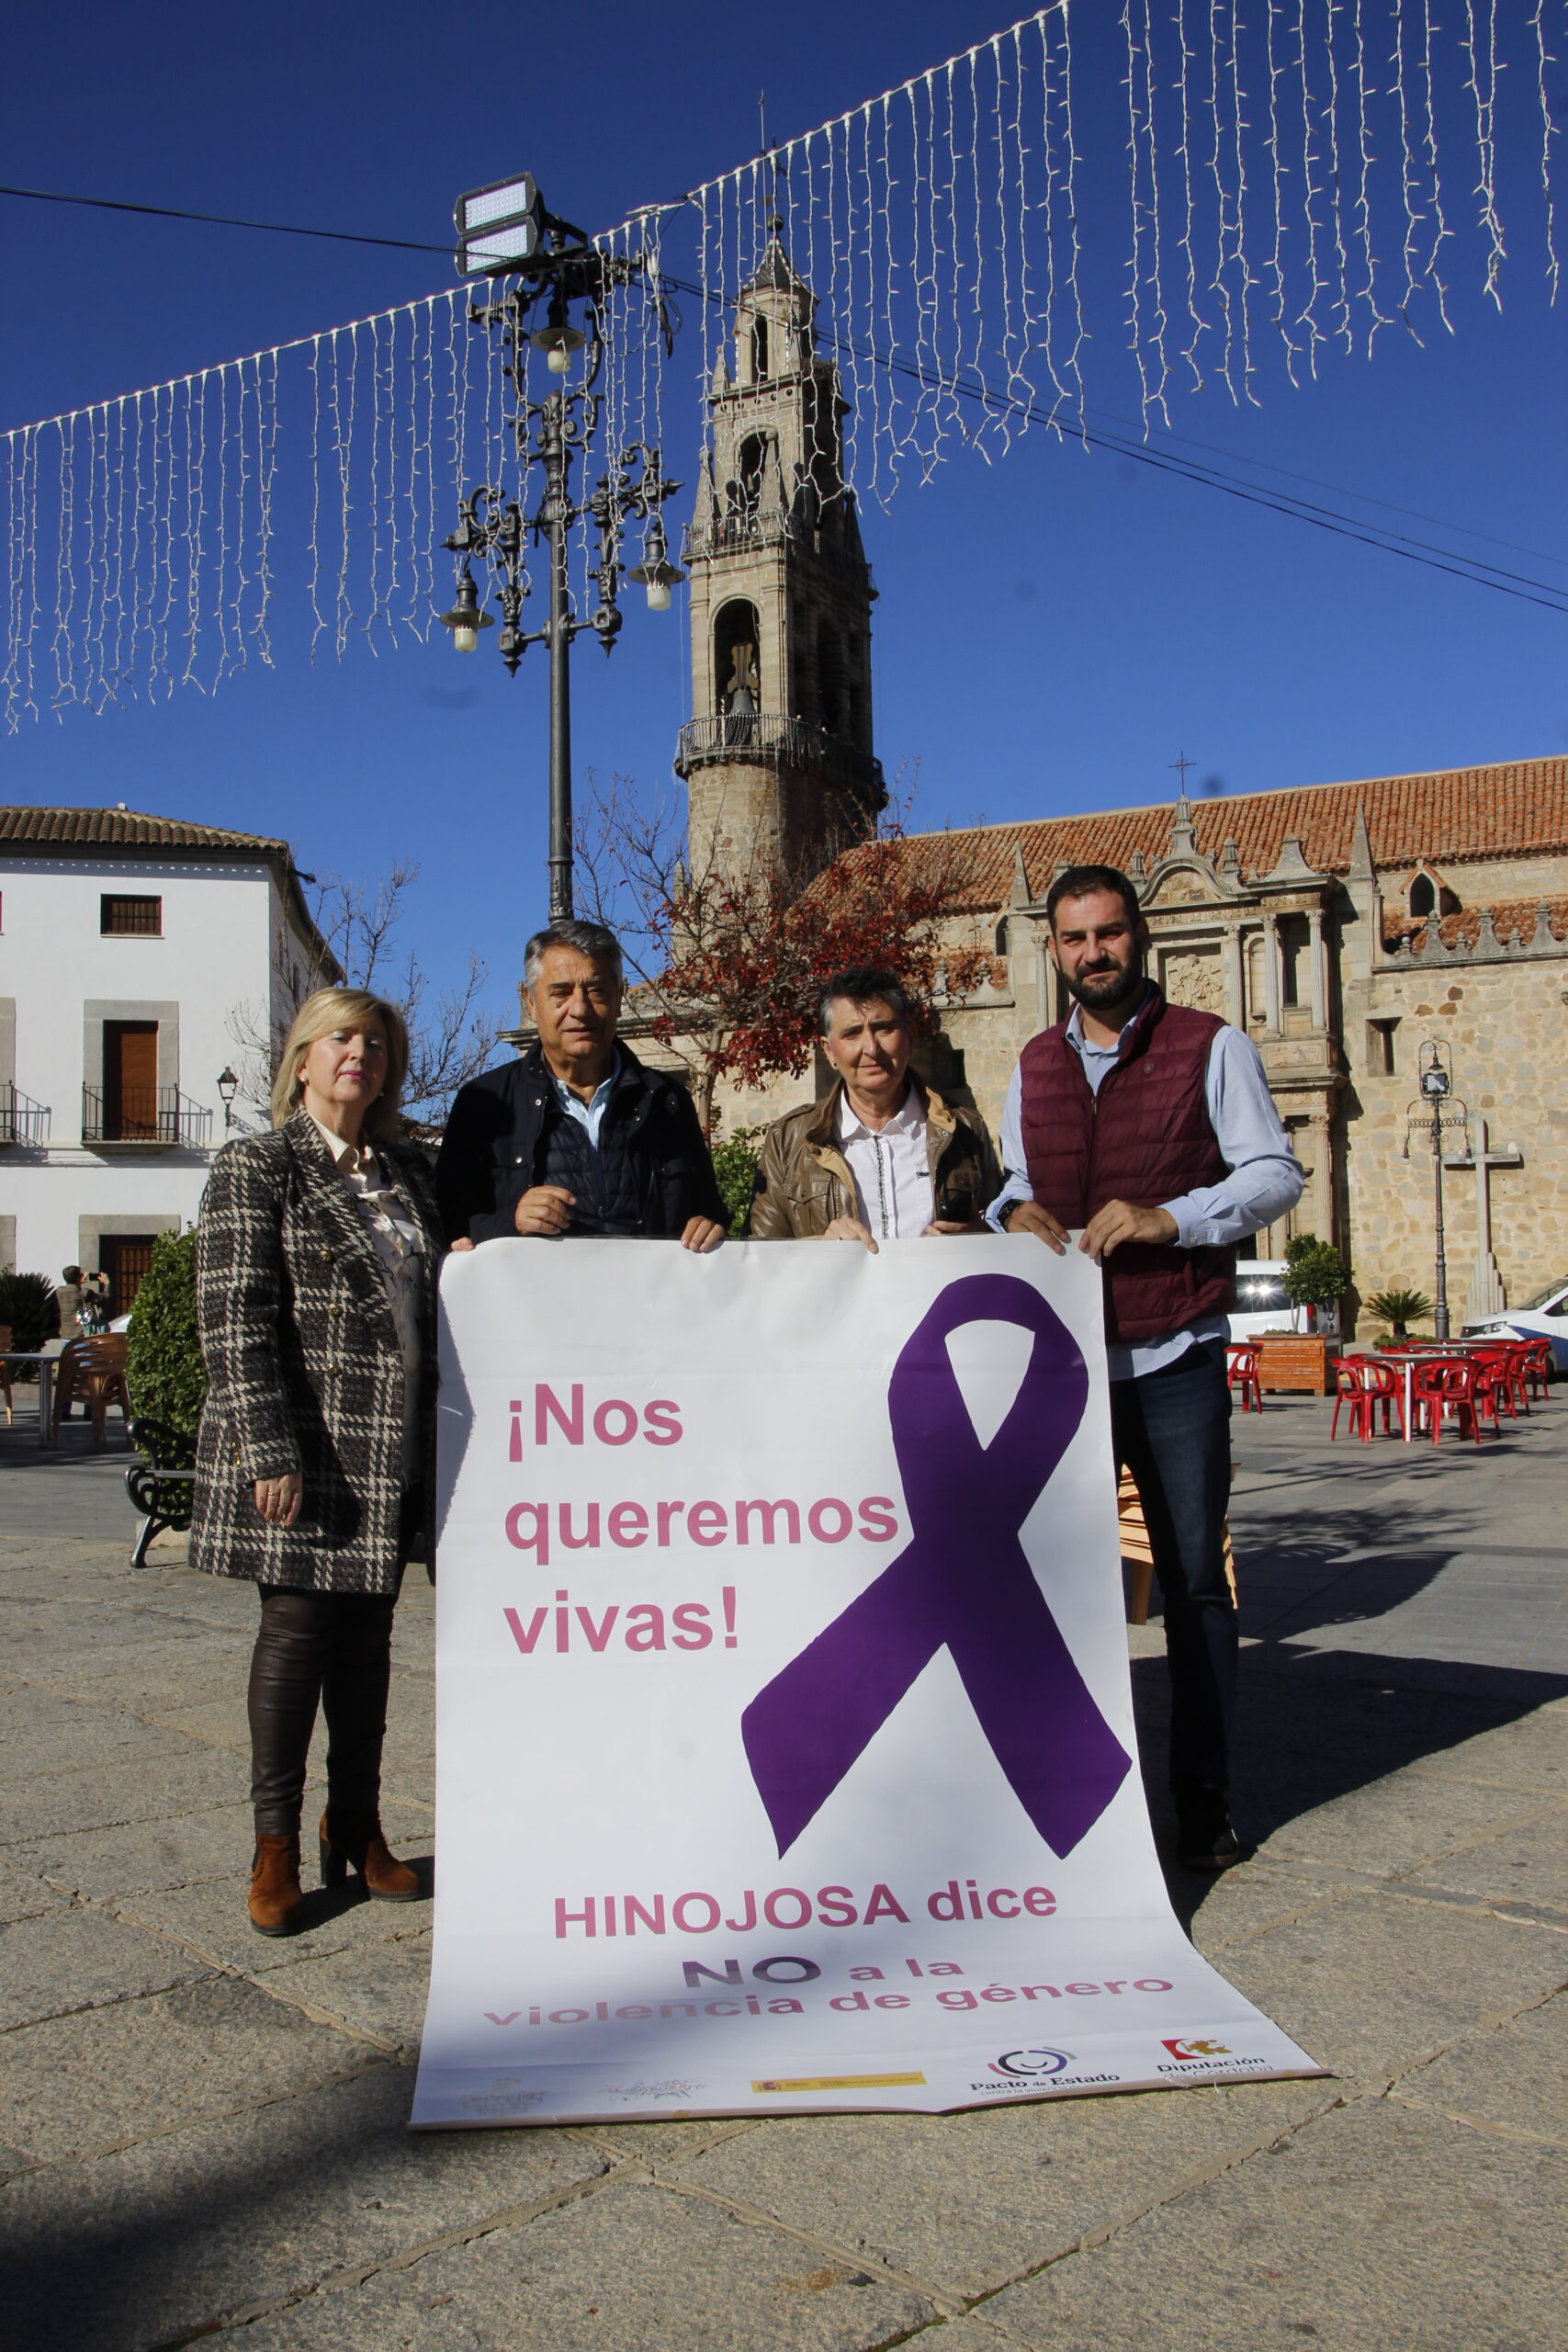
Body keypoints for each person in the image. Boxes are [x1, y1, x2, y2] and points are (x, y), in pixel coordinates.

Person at [989, 865, 1303, 1871]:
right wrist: (1009, 1212)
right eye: (1076, 937)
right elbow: (1009, 1181)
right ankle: (1078, 1804)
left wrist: (1175, 1216)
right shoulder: (1032, 1062)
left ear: (1142, 936)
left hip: (1173, 1356)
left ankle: (1202, 1797)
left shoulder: (1212, 1046)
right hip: (1068, 1374)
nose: (1095, 953)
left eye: (1111, 933)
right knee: (1062, 1587)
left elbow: (1274, 1174)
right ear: (1052, 949)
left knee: (1194, 1585)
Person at [191, 987, 443, 1937]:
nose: (359, 1055)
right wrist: (267, 1447)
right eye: (342, 1038)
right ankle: (276, 1847)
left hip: (390, 1447)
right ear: (302, 1058)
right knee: (295, 1642)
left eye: (376, 1044)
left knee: (368, 1650)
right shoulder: (259, 1163)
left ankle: (359, 1823)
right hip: (306, 1444)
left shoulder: (411, 1173)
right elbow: (234, 1316)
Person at [436, 919, 727, 1252]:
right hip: (534, 1302)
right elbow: (447, 1224)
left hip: (648, 1300)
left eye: (597, 991)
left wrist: (707, 1225)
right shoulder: (484, 1105)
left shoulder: (667, 1101)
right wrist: (511, 1222)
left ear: (619, 997)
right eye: (560, 992)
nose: (580, 1009)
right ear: (530, 1001)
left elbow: (709, 1212)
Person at [748, 967, 1000, 1246]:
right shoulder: (788, 1140)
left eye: (884, 1029)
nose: (871, 1048)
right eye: (852, 1034)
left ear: (909, 1037)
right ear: (829, 1052)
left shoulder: (965, 1130)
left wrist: (983, 1237)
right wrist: (820, 1247)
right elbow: (764, 1255)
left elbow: (1002, 1236)